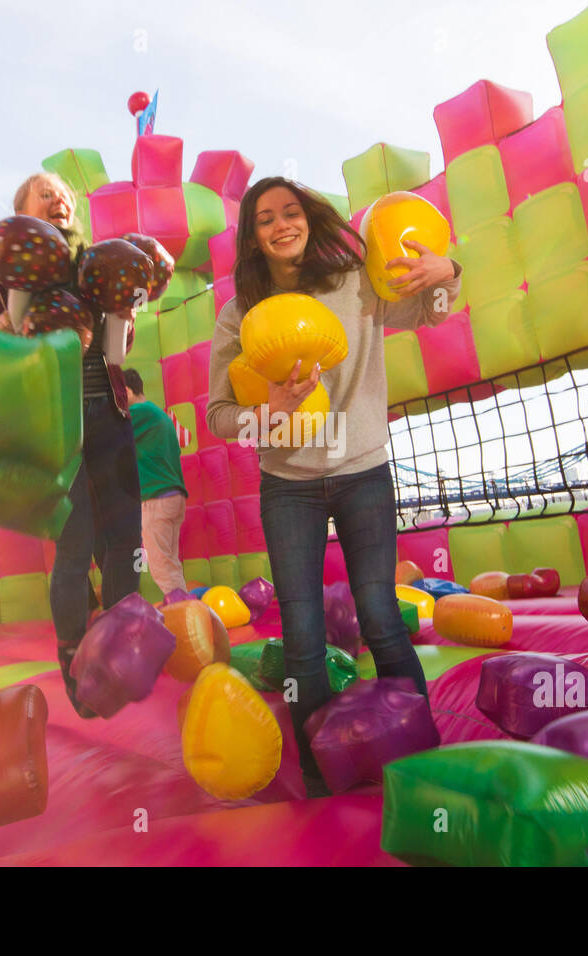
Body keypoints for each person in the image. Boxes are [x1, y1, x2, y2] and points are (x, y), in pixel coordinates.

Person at [207, 178, 461, 797]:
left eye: (290, 212)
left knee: (380, 613)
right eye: (265, 219)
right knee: (302, 634)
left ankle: (417, 744)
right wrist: (267, 411)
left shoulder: (354, 281)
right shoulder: (239, 312)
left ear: (308, 219)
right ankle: (323, 771)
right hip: (287, 484)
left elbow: (427, 309)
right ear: (253, 236)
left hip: (362, 472)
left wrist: (447, 269)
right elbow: (217, 415)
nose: (280, 225)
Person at [0, 172, 142, 718]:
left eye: (64, 192)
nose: (59, 198)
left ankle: (124, 649)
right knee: (75, 546)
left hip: (108, 412)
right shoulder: (7, 271)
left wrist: (125, 309)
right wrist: (12, 321)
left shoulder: (100, 263)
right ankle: (75, 657)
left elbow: (117, 351)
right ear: (23, 211)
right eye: (44, 192)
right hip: (53, 418)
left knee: (124, 541)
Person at [121, 367, 188, 596]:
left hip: (156, 499)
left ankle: (185, 616)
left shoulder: (138, 413)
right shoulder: (160, 415)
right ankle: (188, 612)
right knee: (170, 563)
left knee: (160, 567)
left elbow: (110, 439)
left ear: (127, 392)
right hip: (173, 496)